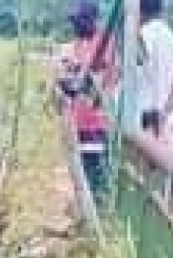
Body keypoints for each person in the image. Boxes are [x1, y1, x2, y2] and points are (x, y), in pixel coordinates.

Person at [58, 1, 117, 191]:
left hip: (98, 122)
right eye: (74, 21)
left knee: (97, 174)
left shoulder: (106, 44)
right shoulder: (76, 44)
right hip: (78, 121)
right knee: (81, 173)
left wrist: (80, 81)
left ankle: (98, 213)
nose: (75, 25)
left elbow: (107, 78)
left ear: (93, 20)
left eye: (80, 21)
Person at [136, 0, 173, 139]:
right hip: (161, 123)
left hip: (136, 121)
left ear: (138, 10)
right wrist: (165, 111)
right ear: (162, 10)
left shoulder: (136, 38)